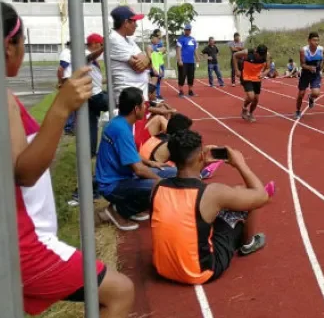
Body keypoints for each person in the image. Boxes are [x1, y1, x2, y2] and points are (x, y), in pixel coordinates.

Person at [0, 2, 157, 318]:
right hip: (26, 242)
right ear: (6, 49)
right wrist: (60, 108)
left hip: (13, 235)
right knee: (119, 291)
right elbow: (26, 172)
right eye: (21, 44)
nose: (21, 51)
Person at [151, 130, 274, 285]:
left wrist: (200, 162)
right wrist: (241, 164)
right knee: (245, 195)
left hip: (162, 268)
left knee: (208, 211)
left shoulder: (157, 186)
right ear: (201, 156)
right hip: (200, 271)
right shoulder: (212, 193)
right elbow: (261, 197)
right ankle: (248, 244)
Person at [95, 88, 177, 231]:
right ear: (136, 108)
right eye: (143, 104)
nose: (146, 107)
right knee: (163, 185)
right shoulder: (121, 129)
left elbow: (130, 153)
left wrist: (151, 162)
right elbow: (138, 170)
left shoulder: (121, 123)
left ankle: (130, 208)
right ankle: (118, 212)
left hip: (123, 177)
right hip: (113, 185)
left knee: (173, 172)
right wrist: (158, 180)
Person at [66, 33, 111, 207]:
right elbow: (90, 56)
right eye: (98, 44)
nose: (100, 48)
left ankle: (92, 188)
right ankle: (82, 191)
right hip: (93, 99)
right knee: (88, 150)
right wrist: (104, 47)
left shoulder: (94, 64)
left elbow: (98, 81)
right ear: (93, 44)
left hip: (95, 101)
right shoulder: (83, 56)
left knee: (92, 147)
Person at [138, 113, 224, 179]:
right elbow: (186, 165)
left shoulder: (160, 136)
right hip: (150, 171)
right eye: (188, 130)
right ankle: (204, 173)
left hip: (145, 165)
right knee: (186, 171)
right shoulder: (171, 145)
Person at [108, 6, 153, 103]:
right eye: (134, 21)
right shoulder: (114, 39)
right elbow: (138, 66)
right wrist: (148, 56)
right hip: (128, 101)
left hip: (138, 99)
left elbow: (148, 64)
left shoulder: (128, 40)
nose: (136, 25)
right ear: (126, 23)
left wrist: (147, 59)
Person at [234, 44, 270, 122]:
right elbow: (235, 55)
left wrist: (263, 74)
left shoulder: (266, 55)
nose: (260, 58)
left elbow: (268, 68)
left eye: (261, 57)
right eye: (258, 56)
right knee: (251, 96)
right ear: (256, 52)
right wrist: (236, 70)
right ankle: (244, 108)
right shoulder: (247, 52)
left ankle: (251, 114)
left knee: (256, 99)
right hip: (246, 76)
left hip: (256, 77)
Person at [295, 32, 324, 119]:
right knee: (301, 94)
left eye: (318, 40)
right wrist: (309, 67)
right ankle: (298, 111)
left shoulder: (322, 49)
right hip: (305, 73)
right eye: (314, 40)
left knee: (316, 93)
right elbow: (302, 64)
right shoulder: (303, 50)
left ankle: (311, 97)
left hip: (316, 73)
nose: (316, 42)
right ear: (309, 41)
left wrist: (323, 65)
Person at [57, 41, 76, 134]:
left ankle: (72, 126)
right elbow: (60, 69)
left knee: (74, 105)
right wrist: (60, 82)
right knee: (71, 105)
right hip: (67, 80)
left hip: (70, 79)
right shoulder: (66, 53)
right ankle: (69, 127)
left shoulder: (70, 53)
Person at [177, 24, 199, 97]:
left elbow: (195, 50)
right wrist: (179, 60)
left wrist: (197, 58)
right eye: (187, 29)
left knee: (191, 76)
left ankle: (190, 91)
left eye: (189, 30)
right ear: (184, 30)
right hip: (183, 61)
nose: (188, 31)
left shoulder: (193, 39)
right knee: (182, 76)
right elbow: (178, 49)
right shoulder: (181, 39)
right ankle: (181, 91)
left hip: (191, 61)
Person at [150, 31, 165, 100]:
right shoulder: (151, 47)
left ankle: (157, 94)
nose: (158, 39)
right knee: (154, 81)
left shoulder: (160, 44)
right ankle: (154, 95)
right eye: (157, 37)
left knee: (158, 80)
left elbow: (163, 50)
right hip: (155, 66)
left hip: (160, 64)